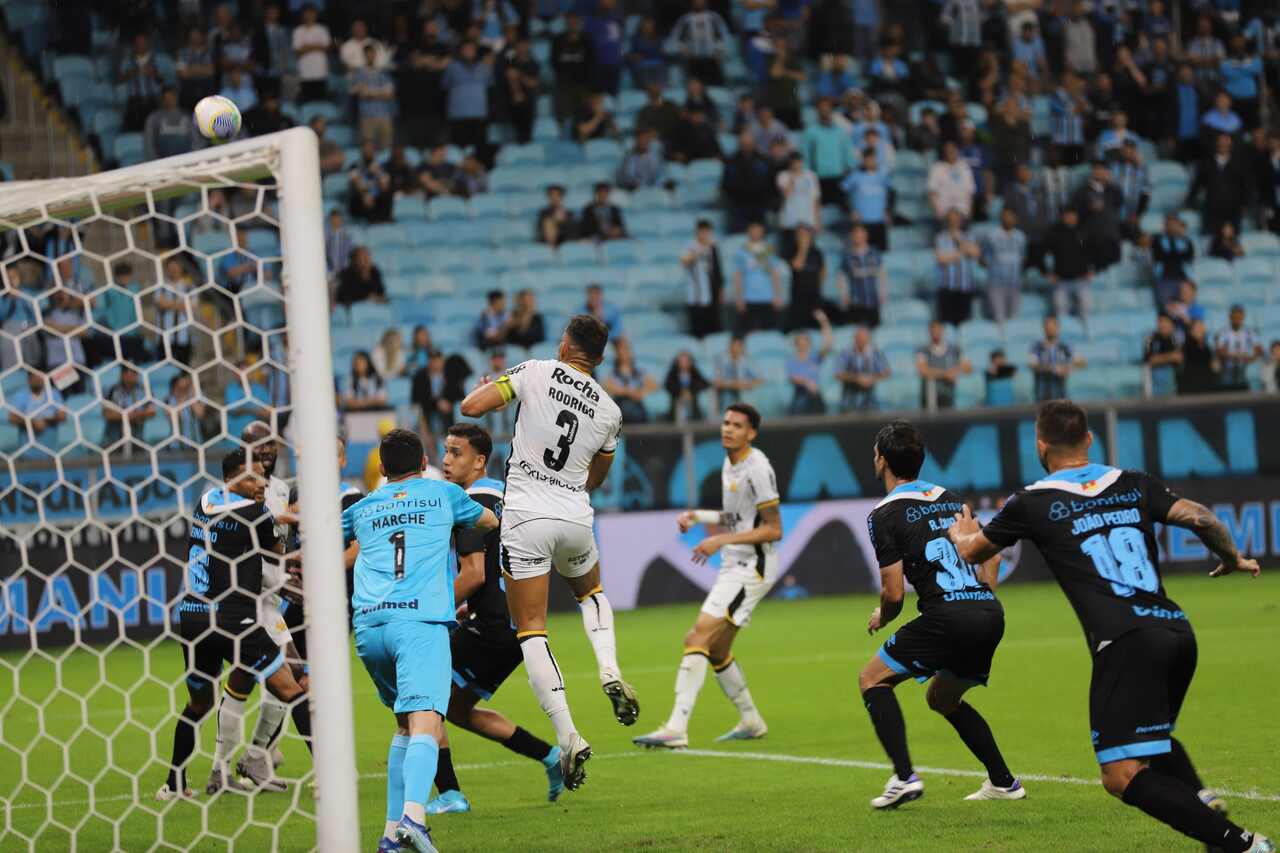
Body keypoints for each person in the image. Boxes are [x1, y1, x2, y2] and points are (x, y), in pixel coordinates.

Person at [948, 400, 1271, 853]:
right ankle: (1199, 800)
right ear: (1090, 439)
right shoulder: (1133, 482)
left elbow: (972, 553)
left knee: (1120, 775)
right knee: (1150, 741)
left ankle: (1241, 845)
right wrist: (1230, 557)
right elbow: (1202, 517)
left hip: (1125, 642)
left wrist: (959, 533)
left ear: (1040, 445)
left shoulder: (1032, 501)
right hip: (1177, 633)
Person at [460, 316, 641, 793]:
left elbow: (471, 407)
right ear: (599, 358)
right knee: (592, 592)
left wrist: (491, 387)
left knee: (532, 629)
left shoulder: (536, 370)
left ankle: (568, 736)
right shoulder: (610, 410)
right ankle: (610, 668)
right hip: (575, 517)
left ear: (564, 345)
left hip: (525, 517)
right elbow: (597, 479)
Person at [343, 429, 498, 851]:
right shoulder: (442, 494)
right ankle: (415, 816)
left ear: (382, 467)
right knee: (428, 720)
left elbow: (328, 538)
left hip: (370, 627)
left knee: (403, 725)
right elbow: (488, 521)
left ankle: (392, 834)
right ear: (424, 459)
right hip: (419, 623)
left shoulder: (361, 507)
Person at [859, 420, 1020, 809]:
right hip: (987, 612)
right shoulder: (952, 499)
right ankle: (1004, 782)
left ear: (880, 459)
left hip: (946, 617)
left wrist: (884, 615)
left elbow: (894, 592)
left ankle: (903, 777)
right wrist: (979, 598)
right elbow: (991, 555)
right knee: (943, 698)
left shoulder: (883, 514)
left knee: (872, 680)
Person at [425, 424, 566, 813]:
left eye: (456, 452)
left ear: (480, 460)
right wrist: (475, 604)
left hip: (490, 630)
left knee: (422, 700)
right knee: (455, 710)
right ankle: (551, 756)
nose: (447, 460)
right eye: (446, 451)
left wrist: (431, 608)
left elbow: (473, 575)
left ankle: (450, 794)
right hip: (517, 627)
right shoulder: (507, 497)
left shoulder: (467, 503)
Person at [157, 449, 312, 801]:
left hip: (194, 616)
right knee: (293, 688)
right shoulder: (257, 513)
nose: (262, 484)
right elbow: (276, 554)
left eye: (263, 476)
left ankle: (174, 784)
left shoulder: (204, 500)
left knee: (199, 704)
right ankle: (330, 780)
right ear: (231, 478)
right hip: (235, 620)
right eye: (254, 478)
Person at [632, 403, 783, 748]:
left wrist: (719, 539)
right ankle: (751, 719)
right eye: (726, 423)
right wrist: (698, 516)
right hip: (735, 565)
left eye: (738, 425)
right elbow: (740, 518)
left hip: (752, 569)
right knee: (716, 650)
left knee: (696, 638)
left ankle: (676, 727)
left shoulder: (758, 469)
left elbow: (774, 529)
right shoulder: (730, 465)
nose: (728, 429)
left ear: (752, 434)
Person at [1041, 207, 1095, 330]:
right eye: (1067, 215)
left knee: (1086, 307)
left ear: (1076, 217)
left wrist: (1092, 269)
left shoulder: (1083, 233)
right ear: (1063, 217)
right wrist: (1046, 272)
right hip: (1061, 281)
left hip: (1081, 280)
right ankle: (1065, 334)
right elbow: (1040, 252)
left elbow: (1091, 252)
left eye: (1072, 215)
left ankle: (1085, 333)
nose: (1070, 218)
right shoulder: (1054, 234)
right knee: (1060, 309)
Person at [732, 221, 784, 334]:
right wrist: (739, 297)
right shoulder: (742, 251)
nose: (756, 233)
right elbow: (738, 275)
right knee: (750, 332)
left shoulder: (769, 250)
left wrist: (778, 295)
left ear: (762, 232)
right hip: (749, 298)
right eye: (753, 231)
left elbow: (775, 273)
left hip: (767, 297)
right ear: (748, 232)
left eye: (758, 231)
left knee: (769, 332)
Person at [981, 208, 1028, 328]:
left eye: (1011, 216)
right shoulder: (991, 235)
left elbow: (1022, 258)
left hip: (1015, 282)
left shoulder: (1021, 236)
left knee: (1014, 319)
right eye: (1006, 216)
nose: (1009, 219)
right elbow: (983, 258)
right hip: (996, 282)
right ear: (1001, 218)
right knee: (999, 319)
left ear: (1015, 219)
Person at [665, 0, 730, 85]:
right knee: (695, 86)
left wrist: (719, 51)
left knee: (715, 86)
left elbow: (724, 36)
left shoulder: (714, 18)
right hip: (693, 61)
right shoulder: (685, 19)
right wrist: (682, 49)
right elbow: (674, 39)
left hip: (712, 59)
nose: (698, 2)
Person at [934, 209, 981, 326]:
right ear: (947, 221)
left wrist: (959, 244)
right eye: (951, 219)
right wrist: (961, 252)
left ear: (961, 221)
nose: (954, 221)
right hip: (947, 288)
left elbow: (975, 253)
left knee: (965, 324)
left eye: (957, 219)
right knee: (947, 324)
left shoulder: (969, 236)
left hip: (965, 288)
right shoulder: (940, 238)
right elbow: (941, 259)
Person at [842, 147, 892, 251]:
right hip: (862, 222)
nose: (870, 162)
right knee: (862, 251)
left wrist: (888, 211)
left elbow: (891, 193)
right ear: (863, 160)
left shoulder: (882, 175)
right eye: (868, 159)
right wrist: (851, 211)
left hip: (879, 220)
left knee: (882, 252)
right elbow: (841, 193)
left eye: (872, 159)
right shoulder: (855, 175)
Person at [916, 320, 972, 410]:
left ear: (943, 330)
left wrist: (955, 370)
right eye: (933, 330)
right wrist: (945, 373)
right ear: (929, 331)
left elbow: (968, 367)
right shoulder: (923, 350)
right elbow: (923, 370)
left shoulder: (955, 349)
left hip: (949, 393)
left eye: (938, 329)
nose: (936, 333)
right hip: (931, 394)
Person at [838, 224, 886, 329]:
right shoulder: (847, 256)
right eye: (856, 234)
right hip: (855, 301)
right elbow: (841, 277)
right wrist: (844, 295)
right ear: (852, 236)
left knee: (874, 330)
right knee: (856, 329)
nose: (859, 236)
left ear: (866, 235)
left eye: (861, 233)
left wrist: (883, 292)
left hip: (873, 299)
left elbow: (882, 273)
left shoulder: (874, 253)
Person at [681, 219, 723, 338]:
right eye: (702, 232)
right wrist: (700, 250)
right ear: (697, 232)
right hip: (695, 296)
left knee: (712, 329)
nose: (705, 235)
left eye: (707, 232)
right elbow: (684, 261)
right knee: (697, 331)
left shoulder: (713, 248)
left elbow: (717, 270)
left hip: (710, 295)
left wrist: (720, 290)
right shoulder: (690, 245)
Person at [1030, 316, 1086, 402]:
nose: (1050, 329)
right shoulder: (1037, 347)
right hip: (1042, 395)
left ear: (1058, 328)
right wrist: (1053, 369)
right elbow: (1032, 365)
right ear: (1044, 328)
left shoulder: (1065, 347)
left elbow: (1082, 362)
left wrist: (1068, 367)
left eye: (1053, 327)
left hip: (1061, 394)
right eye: (1048, 327)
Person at [786, 314, 833, 415]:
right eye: (800, 343)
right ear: (796, 345)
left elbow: (828, 345)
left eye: (805, 343)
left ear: (809, 344)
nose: (803, 346)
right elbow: (792, 378)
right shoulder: (791, 361)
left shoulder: (815, 358)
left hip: (815, 395)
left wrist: (824, 322)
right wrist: (807, 383)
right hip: (801, 396)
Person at [835, 327, 890, 412]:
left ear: (869, 339)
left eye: (864, 338)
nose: (861, 340)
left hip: (870, 399)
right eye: (859, 338)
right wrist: (857, 378)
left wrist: (871, 379)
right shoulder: (846, 353)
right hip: (849, 398)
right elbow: (838, 374)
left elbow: (886, 372)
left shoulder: (876, 353)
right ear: (854, 339)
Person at [352, 44, 396, 150]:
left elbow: (390, 94)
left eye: (372, 53)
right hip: (367, 115)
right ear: (365, 55)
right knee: (368, 148)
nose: (370, 56)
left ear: (375, 55)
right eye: (368, 54)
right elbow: (362, 94)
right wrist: (380, 92)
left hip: (384, 115)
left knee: (387, 147)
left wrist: (371, 93)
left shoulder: (383, 72)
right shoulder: (359, 73)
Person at [604, 337, 656, 423]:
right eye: (621, 350)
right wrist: (626, 392)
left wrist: (642, 392)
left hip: (637, 403)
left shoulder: (639, 372)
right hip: (621, 403)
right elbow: (607, 386)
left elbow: (653, 385)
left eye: (627, 350)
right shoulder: (613, 373)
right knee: (626, 408)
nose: (624, 353)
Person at [785, 225, 827, 331]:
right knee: (799, 328)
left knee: (816, 326)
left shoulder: (817, 252)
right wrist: (803, 249)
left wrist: (817, 285)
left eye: (806, 235)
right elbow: (797, 266)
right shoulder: (791, 250)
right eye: (800, 235)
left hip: (814, 295)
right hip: (798, 296)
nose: (803, 237)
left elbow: (823, 271)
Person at [776, 153, 821, 250]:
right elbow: (786, 195)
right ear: (790, 163)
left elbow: (815, 199)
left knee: (808, 248)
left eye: (798, 162)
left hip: (807, 219)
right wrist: (793, 177)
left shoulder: (811, 176)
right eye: (793, 162)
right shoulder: (783, 176)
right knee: (789, 248)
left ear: (802, 162)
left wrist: (817, 221)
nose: (796, 164)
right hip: (789, 220)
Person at [1213, 304, 1263, 392]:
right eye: (1235, 316)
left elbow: (1259, 349)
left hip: (1242, 368)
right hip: (1227, 369)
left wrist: (1251, 357)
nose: (1237, 319)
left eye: (1239, 316)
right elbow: (1219, 351)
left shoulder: (1249, 332)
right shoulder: (1223, 332)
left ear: (1243, 317)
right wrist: (1235, 356)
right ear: (1230, 317)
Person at [104, 365, 156, 448]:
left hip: (138, 435)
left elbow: (152, 412)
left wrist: (135, 415)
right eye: (126, 373)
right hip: (114, 436)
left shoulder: (145, 390)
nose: (130, 376)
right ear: (121, 375)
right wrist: (126, 415)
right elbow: (107, 414)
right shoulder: (112, 390)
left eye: (133, 373)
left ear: (137, 375)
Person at [6, 369, 66, 439]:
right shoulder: (21, 395)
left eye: (40, 378)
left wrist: (45, 421)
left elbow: (62, 417)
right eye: (35, 378)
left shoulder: (53, 394)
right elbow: (12, 419)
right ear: (29, 380)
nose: (38, 381)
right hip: (26, 441)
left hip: (50, 442)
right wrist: (32, 423)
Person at [1150, 214, 1195, 309]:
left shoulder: (1186, 241)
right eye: (1170, 224)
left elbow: (1189, 258)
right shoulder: (1157, 240)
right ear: (1165, 226)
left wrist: (1180, 240)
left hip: (1183, 279)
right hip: (1164, 279)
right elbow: (1160, 256)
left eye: (1175, 224)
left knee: (1188, 308)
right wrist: (1176, 252)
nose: (1173, 227)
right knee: (1166, 309)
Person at [927, 142, 977, 223]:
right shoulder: (937, 168)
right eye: (947, 151)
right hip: (944, 213)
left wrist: (969, 212)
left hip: (962, 213)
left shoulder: (964, 167)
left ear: (957, 151)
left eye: (952, 150)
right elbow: (932, 192)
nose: (950, 152)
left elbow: (970, 192)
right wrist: (937, 212)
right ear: (944, 152)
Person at [713, 336, 762, 410]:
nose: (736, 349)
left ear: (743, 348)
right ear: (729, 347)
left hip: (744, 392)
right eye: (734, 346)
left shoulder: (747, 360)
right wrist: (735, 384)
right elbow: (716, 382)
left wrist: (748, 384)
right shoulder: (720, 360)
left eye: (739, 346)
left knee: (750, 393)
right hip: (726, 391)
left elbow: (760, 379)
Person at [663, 350, 710, 422]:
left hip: (693, 403)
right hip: (677, 403)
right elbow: (668, 385)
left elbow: (705, 383)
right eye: (681, 362)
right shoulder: (673, 372)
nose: (684, 364)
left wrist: (691, 391)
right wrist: (681, 392)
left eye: (686, 361)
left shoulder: (694, 372)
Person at [1144, 313, 1183, 398]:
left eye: (1166, 322)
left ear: (1172, 325)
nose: (1163, 325)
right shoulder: (1151, 338)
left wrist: (1160, 359)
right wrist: (1170, 357)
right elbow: (1149, 360)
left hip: (1173, 386)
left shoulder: (1175, 339)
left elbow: (1179, 358)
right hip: (1155, 387)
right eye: (1160, 322)